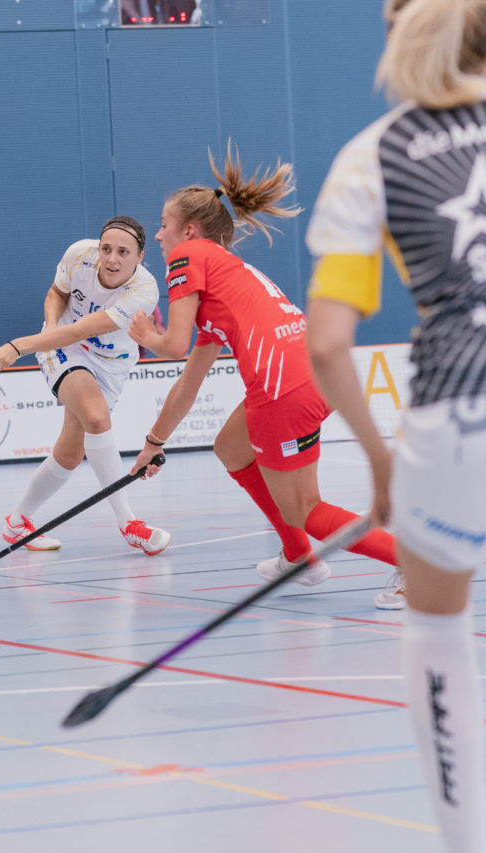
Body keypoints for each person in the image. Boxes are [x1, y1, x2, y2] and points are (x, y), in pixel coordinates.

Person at [304, 1, 486, 847]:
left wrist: (381, 464)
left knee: (439, 629)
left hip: (455, 413)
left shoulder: (370, 155)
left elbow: (327, 343)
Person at [125, 145, 401, 607]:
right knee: (230, 447)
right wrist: (154, 443)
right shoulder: (223, 275)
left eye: (163, 224)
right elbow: (189, 381)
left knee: (305, 508)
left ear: (189, 230)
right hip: (313, 372)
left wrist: (145, 334)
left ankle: (413, 564)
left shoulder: (188, 254)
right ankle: (298, 556)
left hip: (283, 388)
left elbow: (173, 345)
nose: (157, 235)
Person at [0, 216, 172, 556]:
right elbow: (57, 293)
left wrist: (17, 346)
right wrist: (49, 329)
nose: (112, 259)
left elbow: (83, 329)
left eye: (123, 252)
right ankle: (129, 523)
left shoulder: (144, 291)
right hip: (64, 347)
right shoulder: (79, 255)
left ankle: (17, 522)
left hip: (110, 363)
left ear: (139, 257)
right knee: (97, 418)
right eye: (106, 249)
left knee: (72, 453)